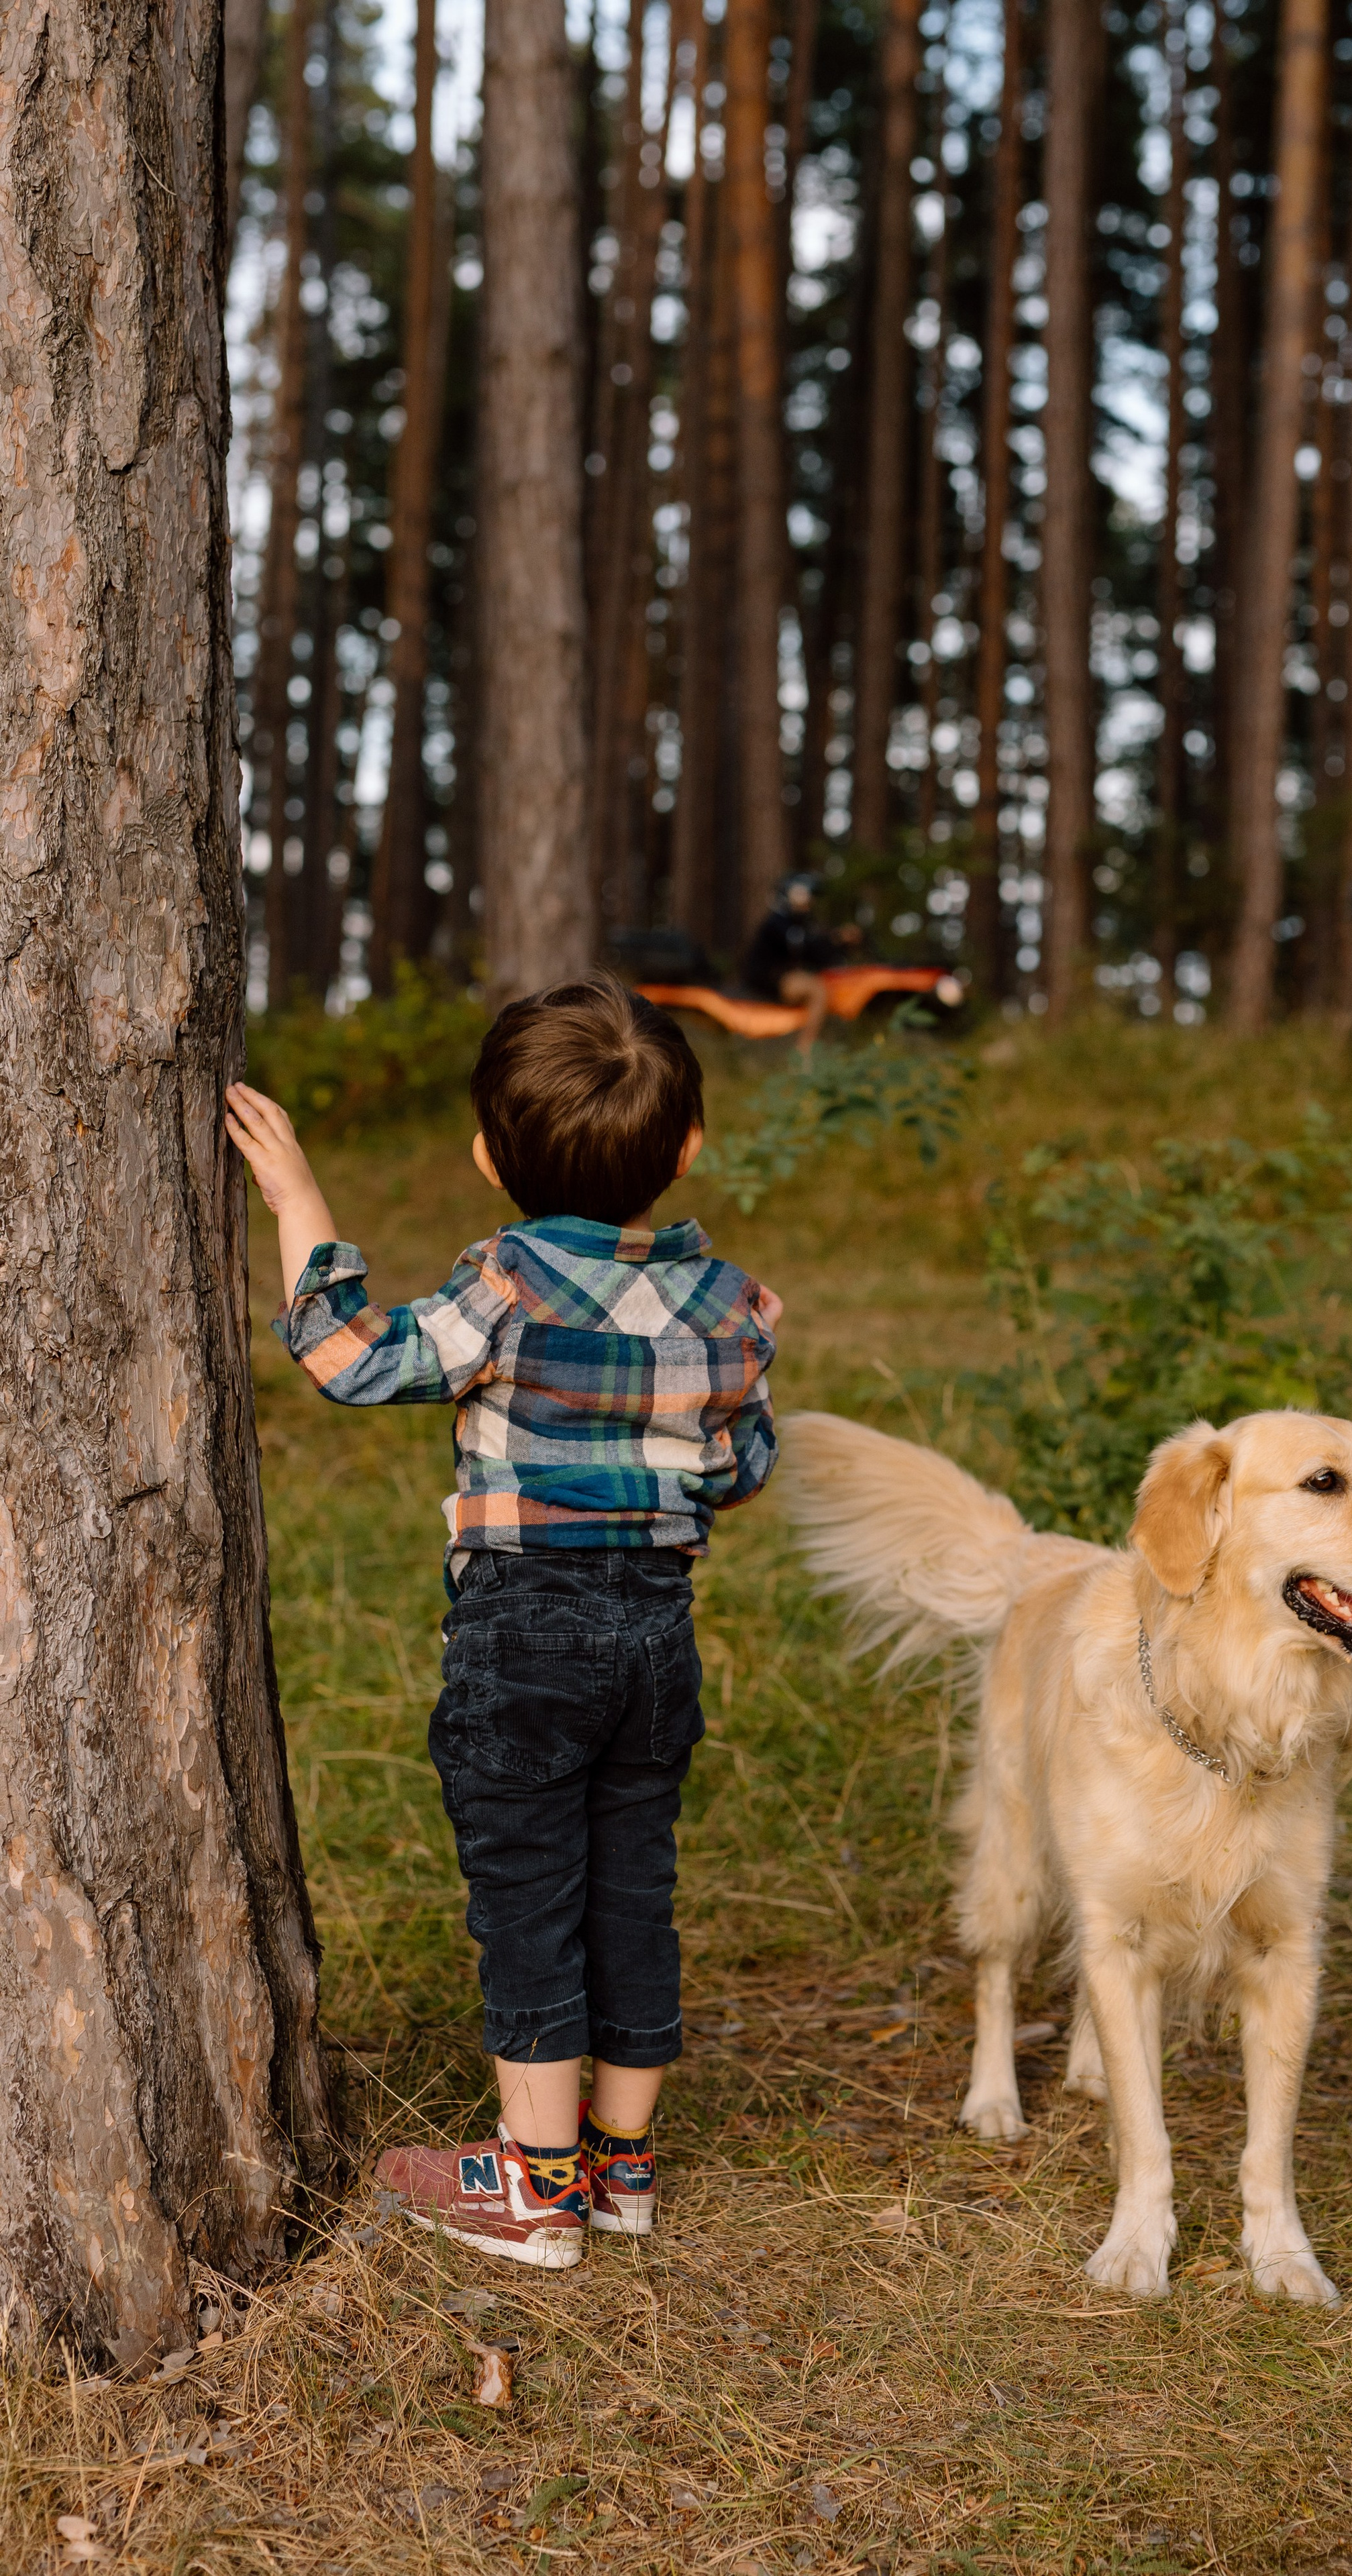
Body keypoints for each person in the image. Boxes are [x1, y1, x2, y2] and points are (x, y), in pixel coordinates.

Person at [224, 973, 780, 2269]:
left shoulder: (508, 1284)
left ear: (487, 1155)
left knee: (530, 1895)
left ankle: (537, 2191)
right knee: (633, 1889)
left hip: (524, 1635)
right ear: (688, 1144)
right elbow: (740, 1469)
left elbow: (358, 1361)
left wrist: (302, 1202)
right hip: (658, 1637)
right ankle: (621, 2168)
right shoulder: (732, 1306)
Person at [743, 872, 860, 1055]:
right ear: (789, 894)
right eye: (804, 895)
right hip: (769, 981)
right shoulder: (777, 922)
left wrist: (841, 945)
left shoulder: (801, 924)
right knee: (818, 990)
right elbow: (804, 944)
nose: (809, 901)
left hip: (782, 979)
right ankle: (805, 1052)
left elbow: (817, 954)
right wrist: (835, 937)